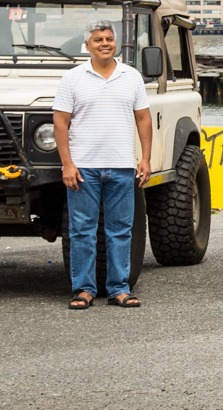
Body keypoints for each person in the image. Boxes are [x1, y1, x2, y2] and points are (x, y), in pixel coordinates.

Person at [53, 20, 151, 309]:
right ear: (87, 46)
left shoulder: (131, 77)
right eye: (98, 40)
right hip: (83, 168)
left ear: (116, 43)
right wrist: (67, 164)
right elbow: (60, 122)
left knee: (121, 230)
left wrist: (145, 158)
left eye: (109, 38)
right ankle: (83, 289)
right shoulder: (72, 78)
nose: (105, 43)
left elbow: (143, 118)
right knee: (82, 230)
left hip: (122, 165)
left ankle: (119, 289)